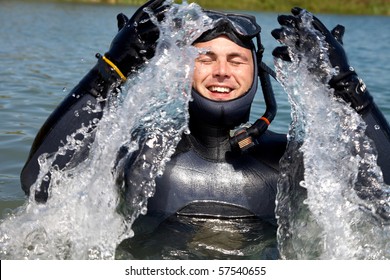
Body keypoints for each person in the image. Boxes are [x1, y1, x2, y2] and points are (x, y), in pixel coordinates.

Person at [20, 0, 390, 258]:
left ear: (257, 73)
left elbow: (384, 202)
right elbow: (41, 183)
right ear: (184, 68)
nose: (221, 72)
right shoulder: (143, 152)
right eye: (205, 58)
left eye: (235, 60)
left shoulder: (293, 160)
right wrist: (112, 71)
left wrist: (343, 86)